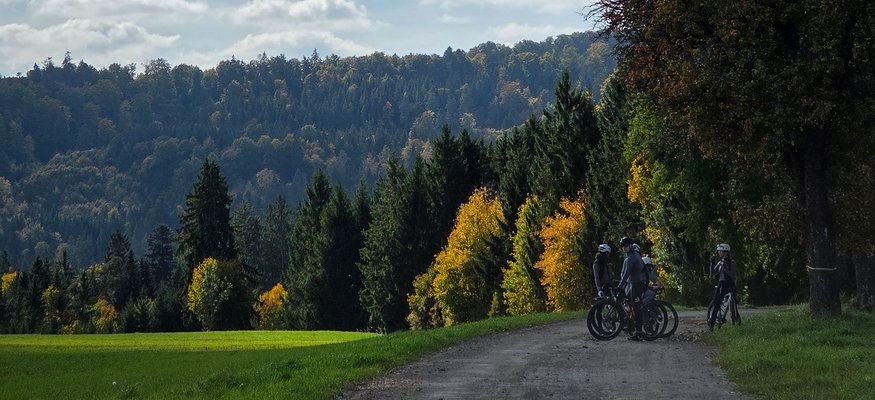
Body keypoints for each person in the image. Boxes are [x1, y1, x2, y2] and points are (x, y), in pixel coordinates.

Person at [617, 236, 645, 340]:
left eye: (625, 246)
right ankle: (630, 326)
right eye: (622, 247)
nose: (624, 248)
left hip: (637, 284)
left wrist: (620, 286)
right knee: (627, 302)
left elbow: (626, 274)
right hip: (634, 284)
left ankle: (639, 333)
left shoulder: (632, 257)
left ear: (630, 245)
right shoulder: (632, 255)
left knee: (637, 308)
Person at [708, 243, 737, 331]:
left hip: (726, 284)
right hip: (725, 284)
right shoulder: (722, 262)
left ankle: (736, 320)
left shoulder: (730, 262)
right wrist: (712, 263)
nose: (719, 253)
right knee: (717, 304)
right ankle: (712, 324)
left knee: (731, 303)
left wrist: (723, 266)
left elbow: (732, 274)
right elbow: (712, 273)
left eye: (720, 251)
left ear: (724, 252)